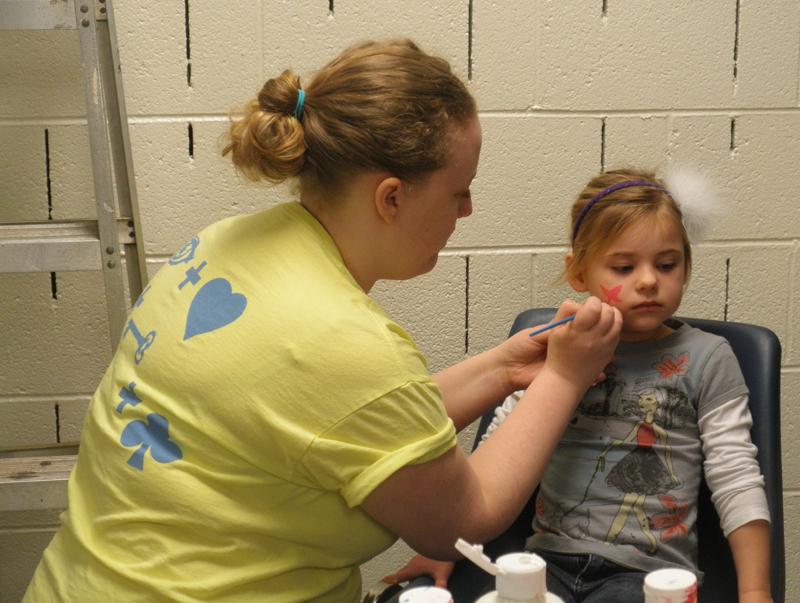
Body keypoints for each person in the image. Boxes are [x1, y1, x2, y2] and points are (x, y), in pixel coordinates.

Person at [22, 39, 621, 602]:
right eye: (458, 192)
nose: (467, 210)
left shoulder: (221, 245)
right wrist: (565, 376)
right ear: (391, 198)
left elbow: (348, 428)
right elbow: (463, 519)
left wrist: (502, 368)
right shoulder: (344, 343)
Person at [387, 169, 772, 603]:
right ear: (578, 273)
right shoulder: (559, 347)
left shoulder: (708, 358)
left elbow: (736, 476)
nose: (648, 280)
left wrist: (755, 590)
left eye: (667, 264)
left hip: (649, 577)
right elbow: (498, 452)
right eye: (624, 267)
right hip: (545, 565)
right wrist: (453, 547)